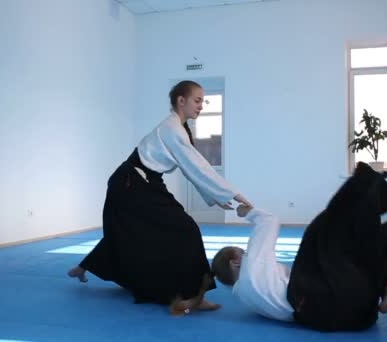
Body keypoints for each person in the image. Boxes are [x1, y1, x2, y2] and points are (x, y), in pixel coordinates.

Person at [68, 80, 252, 313]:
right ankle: (195, 295)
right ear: (181, 100)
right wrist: (233, 193)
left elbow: (191, 168)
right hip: (130, 183)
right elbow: (198, 166)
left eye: (203, 102)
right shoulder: (172, 129)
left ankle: (83, 267)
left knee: (134, 231)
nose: (201, 106)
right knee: (186, 229)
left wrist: (216, 195)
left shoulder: (180, 129)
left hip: (145, 181)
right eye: (197, 100)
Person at [211, 159, 387, 330]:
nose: (248, 253)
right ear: (235, 262)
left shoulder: (247, 297)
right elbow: (269, 221)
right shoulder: (250, 269)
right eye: (243, 252)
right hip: (313, 294)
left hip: (338, 313)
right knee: (326, 227)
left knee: (348, 255)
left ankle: (386, 291)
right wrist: (246, 211)